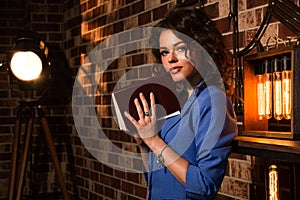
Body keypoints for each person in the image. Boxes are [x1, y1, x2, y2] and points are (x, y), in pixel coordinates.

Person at [124, 5, 237, 200]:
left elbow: (204, 186)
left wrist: (154, 141)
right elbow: (156, 178)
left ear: (202, 48)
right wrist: (144, 144)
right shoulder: (176, 100)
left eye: (180, 48)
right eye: (164, 52)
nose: (171, 59)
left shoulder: (213, 101)